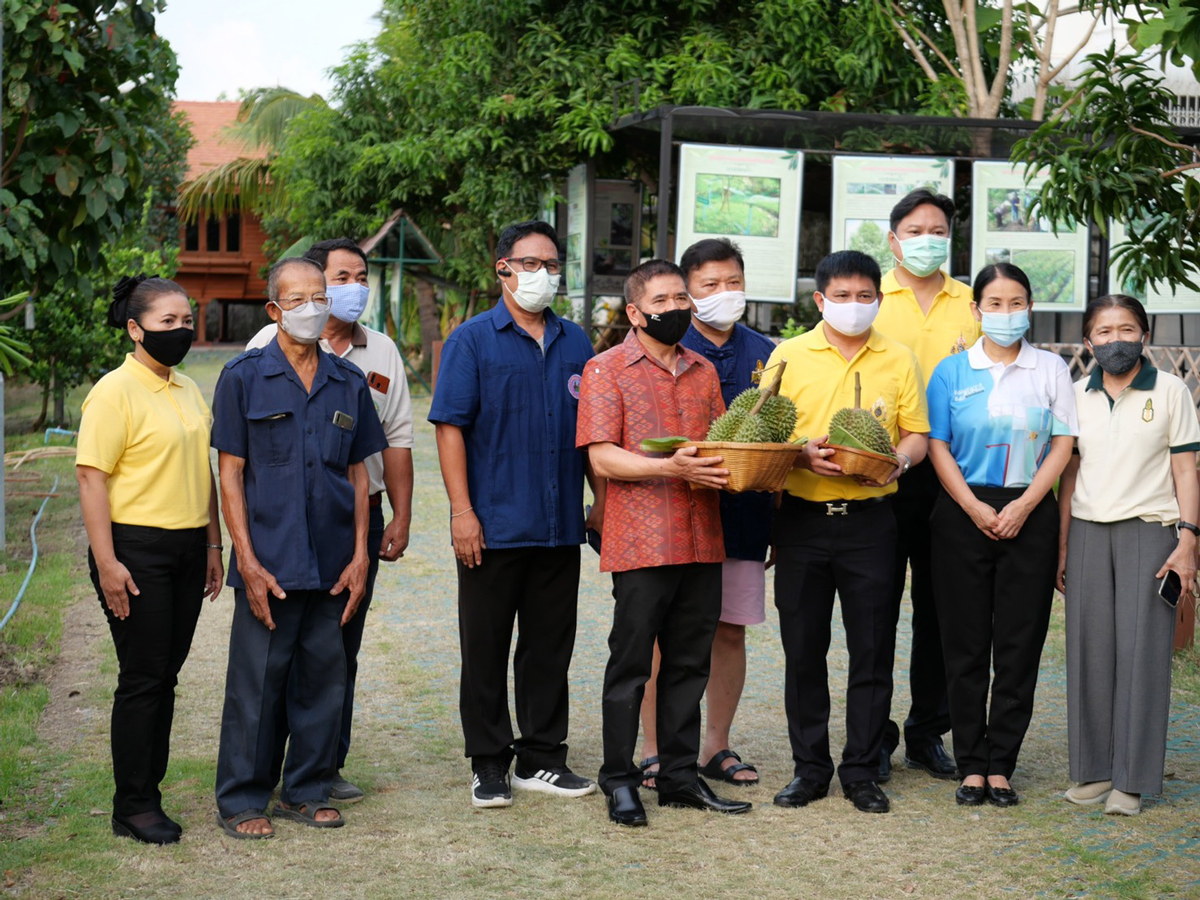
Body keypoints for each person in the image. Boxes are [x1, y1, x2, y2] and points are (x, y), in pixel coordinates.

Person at [212, 257, 387, 838]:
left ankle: (306, 791)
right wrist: (247, 558)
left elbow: (361, 473)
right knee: (257, 684)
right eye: (297, 300)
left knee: (323, 678)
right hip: (270, 559)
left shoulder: (348, 382)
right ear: (274, 310)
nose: (313, 308)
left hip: (335, 560)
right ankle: (242, 800)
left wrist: (361, 554)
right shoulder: (243, 377)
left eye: (320, 296)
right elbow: (230, 473)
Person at [428, 220, 599, 809]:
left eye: (552, 265)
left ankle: (543, 758)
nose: (542, 275)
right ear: (501, 267)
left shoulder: (577, 342)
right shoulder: (472, 340)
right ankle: (489, 763)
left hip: (558, 527)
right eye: (530, 263)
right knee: (485, 647)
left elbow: (593, 435)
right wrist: (461, 513)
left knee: (551, 645)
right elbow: (450, 427)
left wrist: (598, 501)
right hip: (493, 526)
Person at [578, 258, 752, 828]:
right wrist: (673, 469)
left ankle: (679, 777)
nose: (677, 309)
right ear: (635, 312)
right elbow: (601, 455)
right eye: (663, 301)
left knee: (688, 664)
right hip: (641, 543)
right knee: (630, 666)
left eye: (683, 298)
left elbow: (725, 445)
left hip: (703, 540)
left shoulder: (703, 371)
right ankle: (620, 780)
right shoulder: (606, 370)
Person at [248, 237, 415, 803]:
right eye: (340, 277)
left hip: (353, 516)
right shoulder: (261, 350)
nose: (352, 289)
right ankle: (265, 767)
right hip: (281, 515)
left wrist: (401, 515)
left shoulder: (381, 352)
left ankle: (322, 766)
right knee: (279, 649)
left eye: (359, 277)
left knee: (339, 646)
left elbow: (395, 441)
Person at [767, 250, 929, 815]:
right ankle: (809, 770)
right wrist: (802, 455)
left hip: (872, 527)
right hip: (803, 524)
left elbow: (916, 436)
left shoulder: (898, 358)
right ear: (819, 300)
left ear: (879, 300)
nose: (854, 307)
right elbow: (764, 435)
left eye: (865, 297)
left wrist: (898, 464)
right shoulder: (786, 356)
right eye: (842, 296)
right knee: (803, 652)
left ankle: (861, 769)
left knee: (873, 649)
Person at [77, 275, 223, 845]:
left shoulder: (187, 387)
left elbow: (201, 472)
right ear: (135, 329)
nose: (181, 331)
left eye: (186, 321)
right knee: (143, 678)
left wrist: (213, 544)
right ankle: (133, 805)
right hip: (135, 551)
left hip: (188, 547)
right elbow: (91, 478)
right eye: (167, 322)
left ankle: (146, 791)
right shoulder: (114, 391)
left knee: (165, 675)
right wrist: (107, 562)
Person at [925, 263, 1076, 808]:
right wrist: (971, 505)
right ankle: (970, 763)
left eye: (1016, 303)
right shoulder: (950, 372)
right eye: (995, 303)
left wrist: (1025, 505)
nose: (1005, 313)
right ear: (976, 309)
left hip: (1029, 509)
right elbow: (937, 444)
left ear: (1030, 308)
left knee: (1019, 644)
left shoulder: (1051, 369)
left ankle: (1002, 764)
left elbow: (1062, 442)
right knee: (964, 644)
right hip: (962, 511)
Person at [636, 238, 772, 789]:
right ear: (686, 293)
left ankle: (715, 744)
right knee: (661, 638)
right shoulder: (663, 346)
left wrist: (777, 520)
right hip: (674, 517)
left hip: (743, 520)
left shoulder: (768, 353)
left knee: (730, 632)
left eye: (733, 282)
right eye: (710, 285)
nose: (724, 294)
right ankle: (654, 749)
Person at [1058, 294, 1199, 816]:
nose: (1115, 340)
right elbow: (1069, 474)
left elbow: (1186, 469)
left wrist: (1189, 540)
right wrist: (1064, 542)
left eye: (1126, 329)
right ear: (1088, 341)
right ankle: (1093, 771)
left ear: (1144, 333)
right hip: (1090, 531)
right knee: (1089, 651)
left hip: (1151, 532)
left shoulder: (1169, 390)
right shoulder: (1074, 395)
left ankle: (1133, 780)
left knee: (1142, 656)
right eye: (1103, 331)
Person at [873, 188, 979, 783]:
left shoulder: (971, 302)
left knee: (941, 608)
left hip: (954, 475)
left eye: (937, 229)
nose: (926, 239)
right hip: (886, 472)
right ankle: (875, 732)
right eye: (914, 230)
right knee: (877, 606)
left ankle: (926, 732)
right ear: (893, 240)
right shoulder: (869, 298)